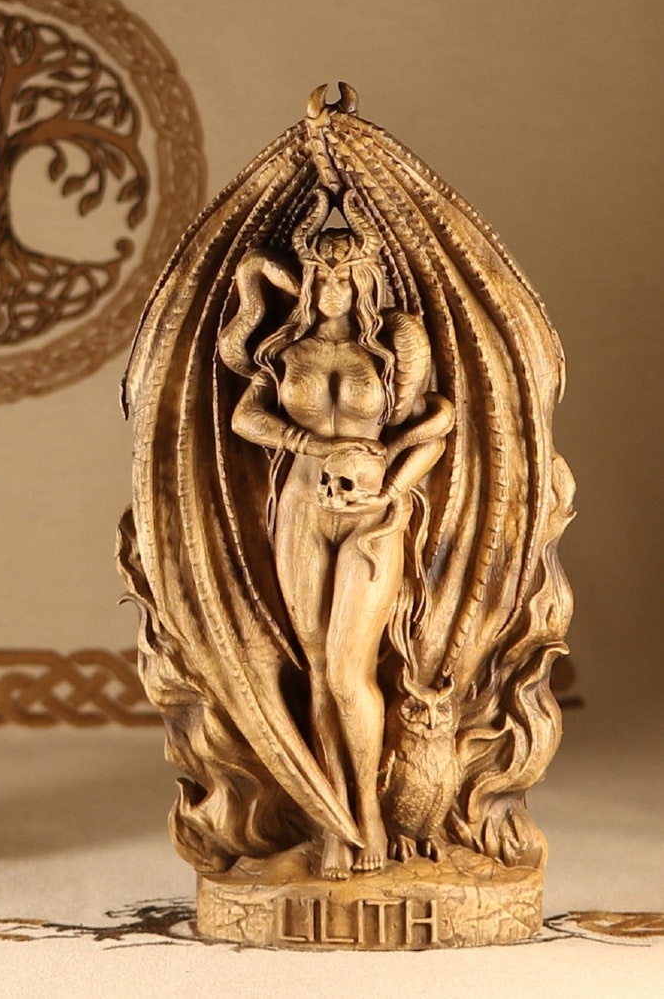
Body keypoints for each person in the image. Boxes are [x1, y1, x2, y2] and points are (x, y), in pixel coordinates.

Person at [219, 203, 454, 878]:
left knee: (352, 672)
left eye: (345, 277)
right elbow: (244, 419)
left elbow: (434, 427)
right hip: (303, 508)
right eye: (320, 277)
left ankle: (371, 815)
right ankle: (335, 821)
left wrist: (391, 488)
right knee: (320, 670)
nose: (331, 288)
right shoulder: (284, 352)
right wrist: (309, 444)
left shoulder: (389, 352)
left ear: (365, 283)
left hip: (371, 515)